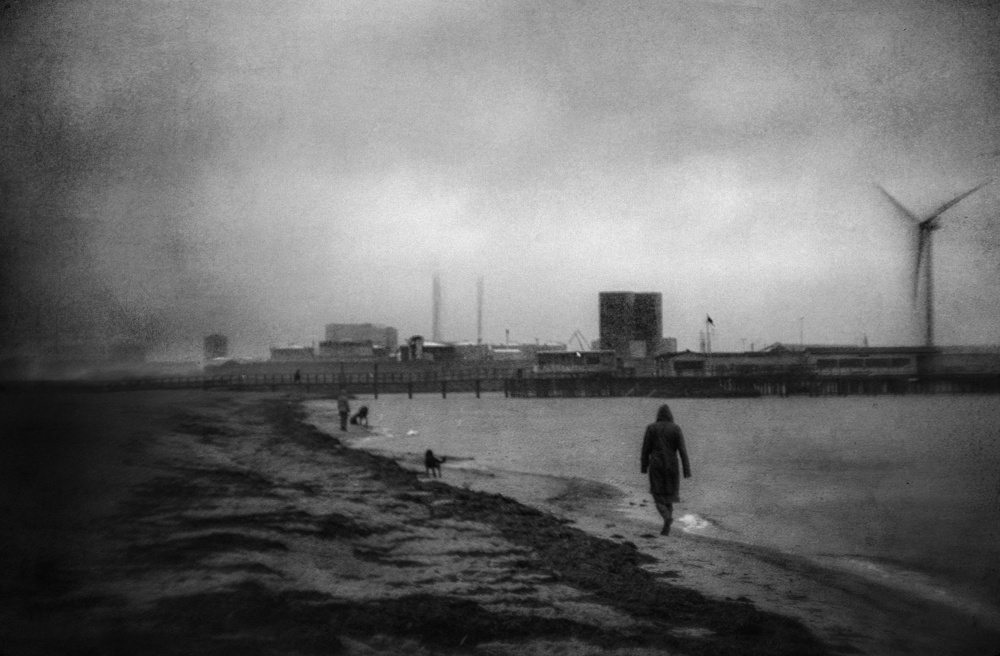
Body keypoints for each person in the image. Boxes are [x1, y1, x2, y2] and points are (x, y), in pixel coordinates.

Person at [640, 404, 692, 536]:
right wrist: (686, 470)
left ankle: (667, 518)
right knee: (669, 496)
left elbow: (645, 449)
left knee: (657, 495)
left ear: (658, 415)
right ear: (670, 415)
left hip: (656, 464)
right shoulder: (676, 428)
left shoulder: (651, 428)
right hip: (672, 465)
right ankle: (667, 523)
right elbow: (683, 450)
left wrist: (644, 467)